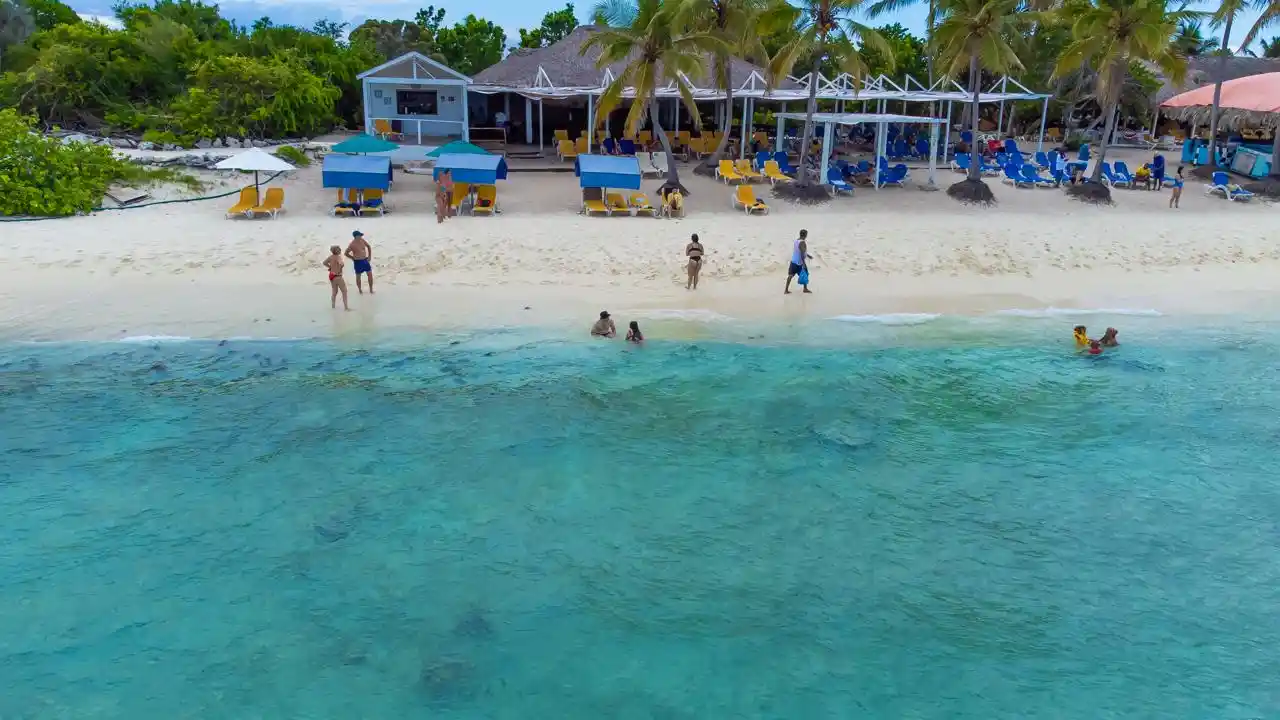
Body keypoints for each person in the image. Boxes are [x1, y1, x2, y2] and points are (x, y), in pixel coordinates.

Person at [345, 230, 374, 294]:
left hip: (365, 260)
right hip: (358, 262)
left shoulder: (362, 240)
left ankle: (371, 289)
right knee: (358, 276)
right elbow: (346, 253)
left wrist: (369, 256)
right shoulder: (352, 244)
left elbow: (368, 246)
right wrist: (352, 258)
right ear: (356, 236)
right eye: (360, 235)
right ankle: (360, 290)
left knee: (370, 274)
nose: (361, 236)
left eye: (361, 235)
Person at [785, 229, 812, 295]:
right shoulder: (802, 242)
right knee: (805, 274)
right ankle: (805, 289)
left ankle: (786, 290)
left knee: (790, 275)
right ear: (805, 235)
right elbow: (802, 253)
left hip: (793, 261)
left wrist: (808, 255)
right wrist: (804, 264)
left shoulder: (796, 241)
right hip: (799, 263)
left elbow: (799, 250)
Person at [323, 245, 349, 311]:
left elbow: (324, 262)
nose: (340, 250)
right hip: (338, 276)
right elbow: (342, 264)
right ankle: (346, 307)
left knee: (334, 291)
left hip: (332, 276)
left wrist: (330, 267)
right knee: (344, 291)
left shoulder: (330, 257)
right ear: (336, 251)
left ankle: (333, 306)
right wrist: (339, 270)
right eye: (339, 249)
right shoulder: (338, 257)